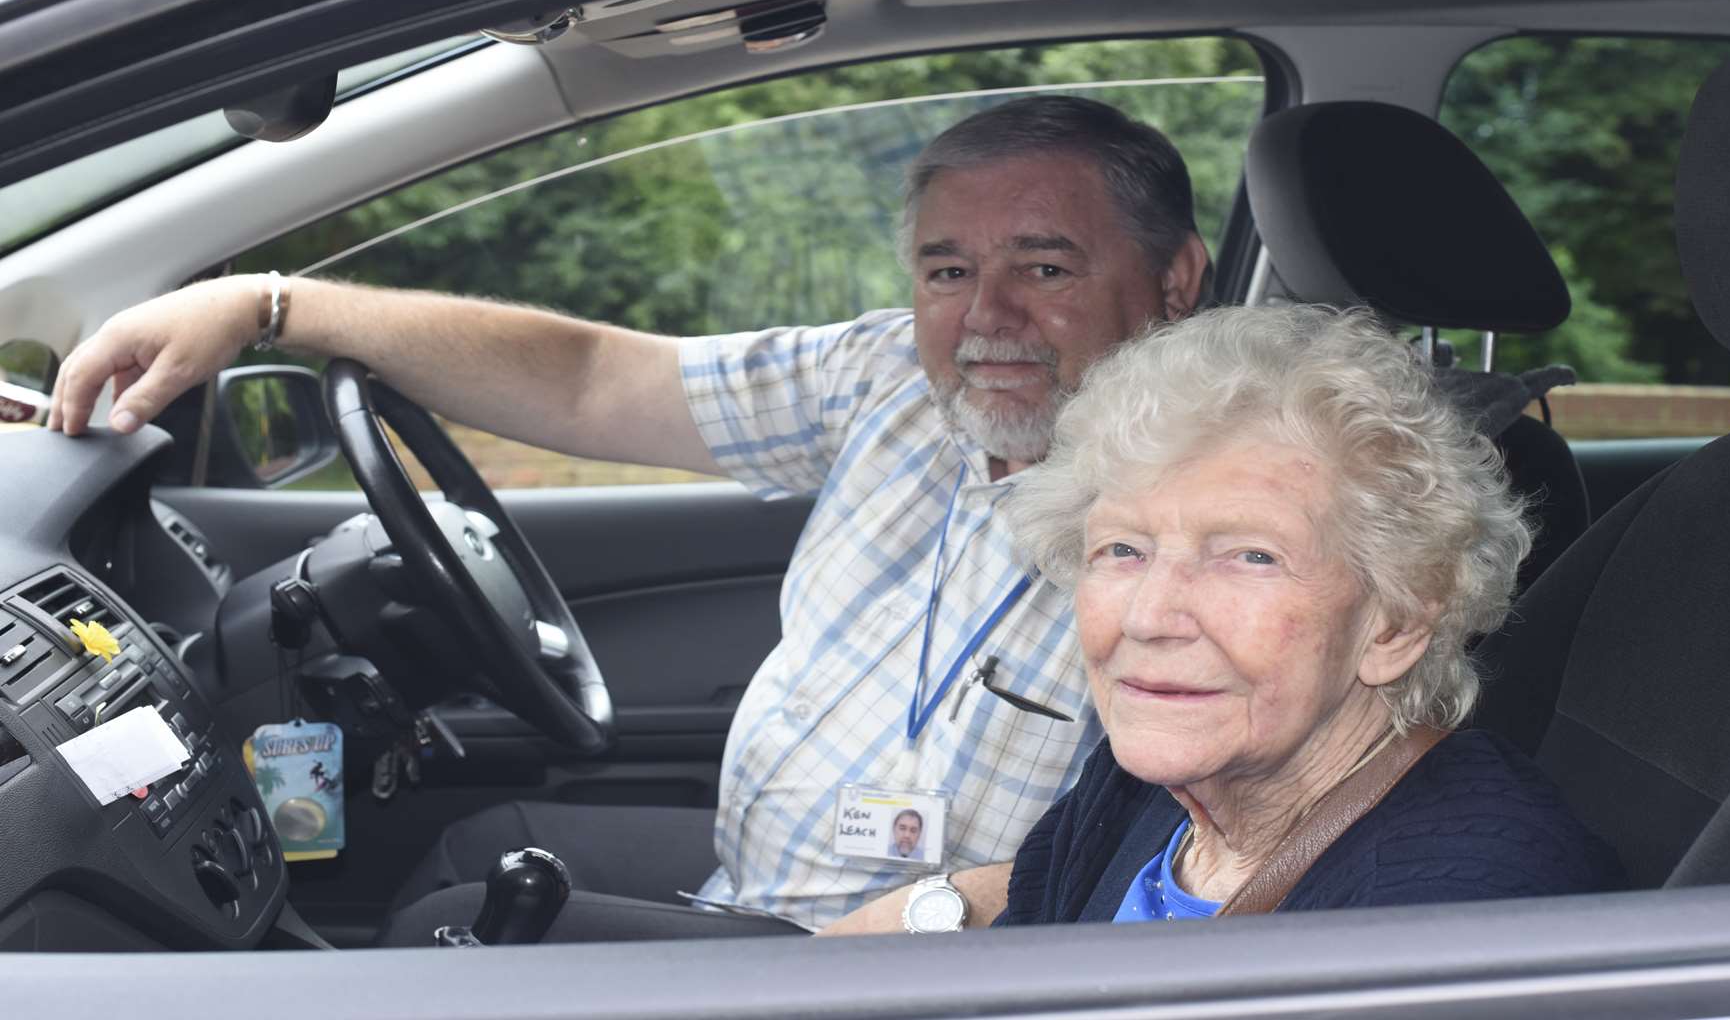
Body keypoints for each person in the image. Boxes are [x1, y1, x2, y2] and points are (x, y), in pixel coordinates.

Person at [48, 94, 1212, 937]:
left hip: (910, 959)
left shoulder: (1222, 510)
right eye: (948, 271)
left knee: (437, 943)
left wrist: (930, 916)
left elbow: (1230, 836)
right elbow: (589, 381)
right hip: (759, 885)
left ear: (1176, 284)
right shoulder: (894, 384)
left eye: (1047, 270)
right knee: (474, 846)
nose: (985, 317)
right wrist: (267, 305)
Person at [822, 305, 1623, 934]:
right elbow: (1025, 952)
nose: (1151, 617)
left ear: (1397, 622)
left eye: (1249, 556)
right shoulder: (1150, 787)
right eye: (1123, 551)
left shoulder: (1450, 905)